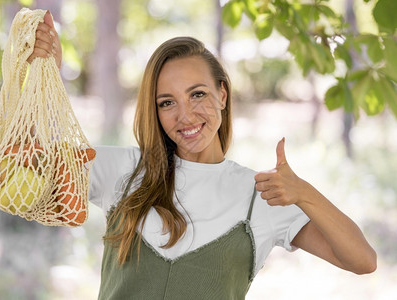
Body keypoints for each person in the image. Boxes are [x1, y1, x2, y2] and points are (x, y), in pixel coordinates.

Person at [27, 11, 376, 299]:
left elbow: (362, 260)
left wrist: (303, 193)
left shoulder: (260, 199)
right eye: (167, 102)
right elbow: (23, 164)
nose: (185, 115)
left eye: (197, 94)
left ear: (222, 94)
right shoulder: (124, 171)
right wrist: (44, 76)